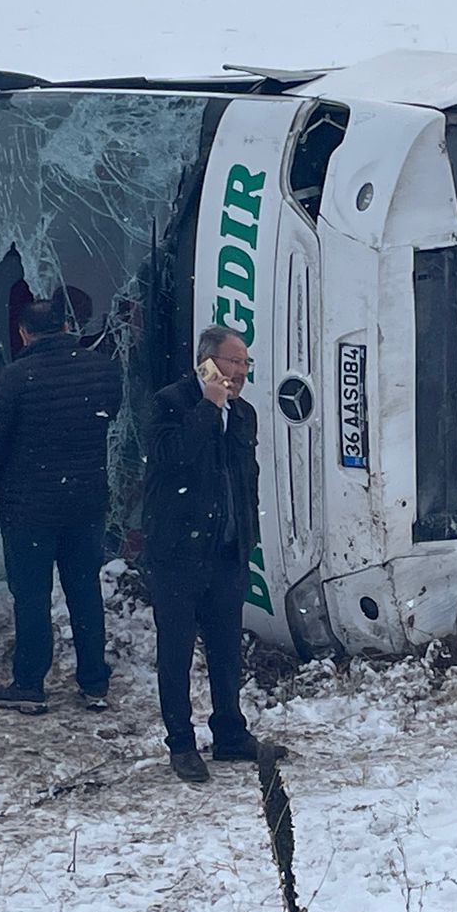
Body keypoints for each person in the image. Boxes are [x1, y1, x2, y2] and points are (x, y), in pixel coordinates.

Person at [142, 324, 287, 783]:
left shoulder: (243, 414)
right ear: (207, 362)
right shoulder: (170, 402)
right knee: (177, 651)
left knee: (227, 650)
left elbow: (244, 477)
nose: (241, 372)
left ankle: (230, 733)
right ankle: (181, 743)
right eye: (233, 362)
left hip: (226, 551)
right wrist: (207, 406)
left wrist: (248, 537)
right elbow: (172, 457)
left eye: (245, 363)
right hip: (178, 553)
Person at [0, 293, 122, 714]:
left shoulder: (14, 379)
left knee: (33, 597)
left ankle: (30, 684)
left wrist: (7, 484)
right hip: (86, 503)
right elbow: (111, 412)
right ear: (65, 327)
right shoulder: (102, 370)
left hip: (30, 510)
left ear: (23, 334)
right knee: (85, 590)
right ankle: (94, 682)